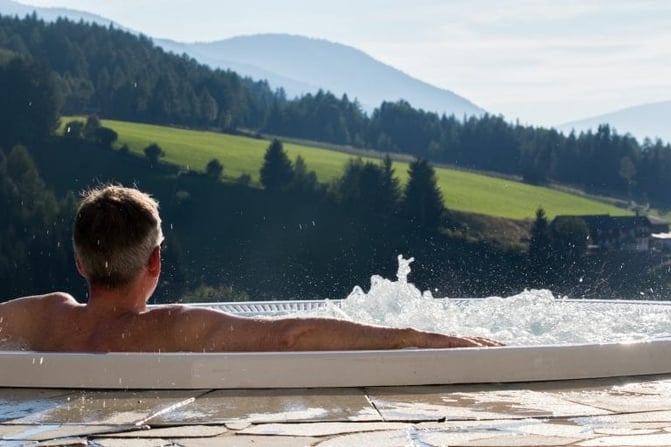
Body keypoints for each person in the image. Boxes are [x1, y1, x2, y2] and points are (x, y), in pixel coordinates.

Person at [0, 185, 502, 352]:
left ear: (78, 262)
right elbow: (292, 335)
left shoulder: (44, 317)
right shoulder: (168, 328)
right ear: (155, 261)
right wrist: (409, 336)